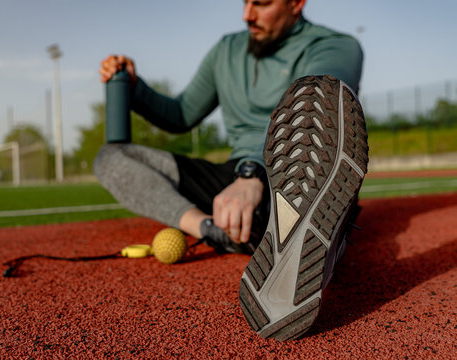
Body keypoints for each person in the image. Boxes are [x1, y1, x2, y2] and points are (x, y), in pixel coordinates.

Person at [95, 0, 368, 340]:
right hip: (236, 174)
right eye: (245, 2)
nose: (247, 15)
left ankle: (307, 228)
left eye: (262, 3)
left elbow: (313, 104)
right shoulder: (227, 49)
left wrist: (253, 174)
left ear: (297, 3)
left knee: (316, 105)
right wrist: (134, 87)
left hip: (295, 172)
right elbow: (179, 115)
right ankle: (214, 230)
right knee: (112, 158)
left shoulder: (336, 46)